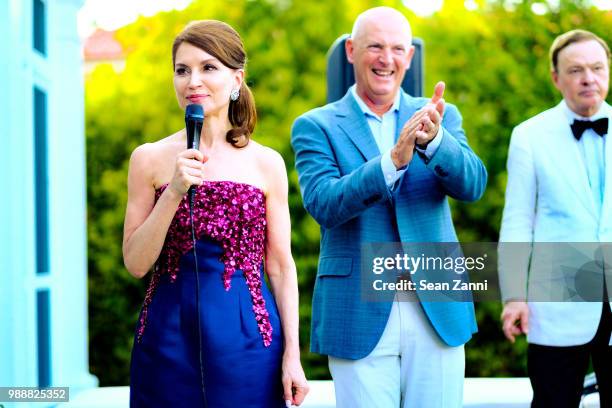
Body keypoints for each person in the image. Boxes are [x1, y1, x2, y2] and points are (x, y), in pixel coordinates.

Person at [291, 7, 487, 408]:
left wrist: (435, 143)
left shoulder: (439, 116)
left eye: (398, 48)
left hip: (437, 306)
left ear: (410, 57)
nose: (387, 58)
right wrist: (391, 162)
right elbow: (324, 204)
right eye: (375, 46)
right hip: (356, 306)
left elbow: (473, 185)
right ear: (350, 50)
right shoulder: (315, 125)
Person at [123, 20, 308, 408]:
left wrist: (293, 354)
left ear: (236, 79)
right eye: (182, 69)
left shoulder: (266, 163)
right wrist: (173, 191)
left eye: (208, 67)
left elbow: (280, 266)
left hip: (248, 343)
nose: (193, 81)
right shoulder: (148, 159)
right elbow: (136, 263)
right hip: (166, 341)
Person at [499, 29, 611, 408]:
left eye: (597, 67)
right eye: (576, 69)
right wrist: (514, 295)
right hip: (557, 307)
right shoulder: (529, 136)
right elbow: (517, 221)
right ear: (555, 77)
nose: (588, 78)